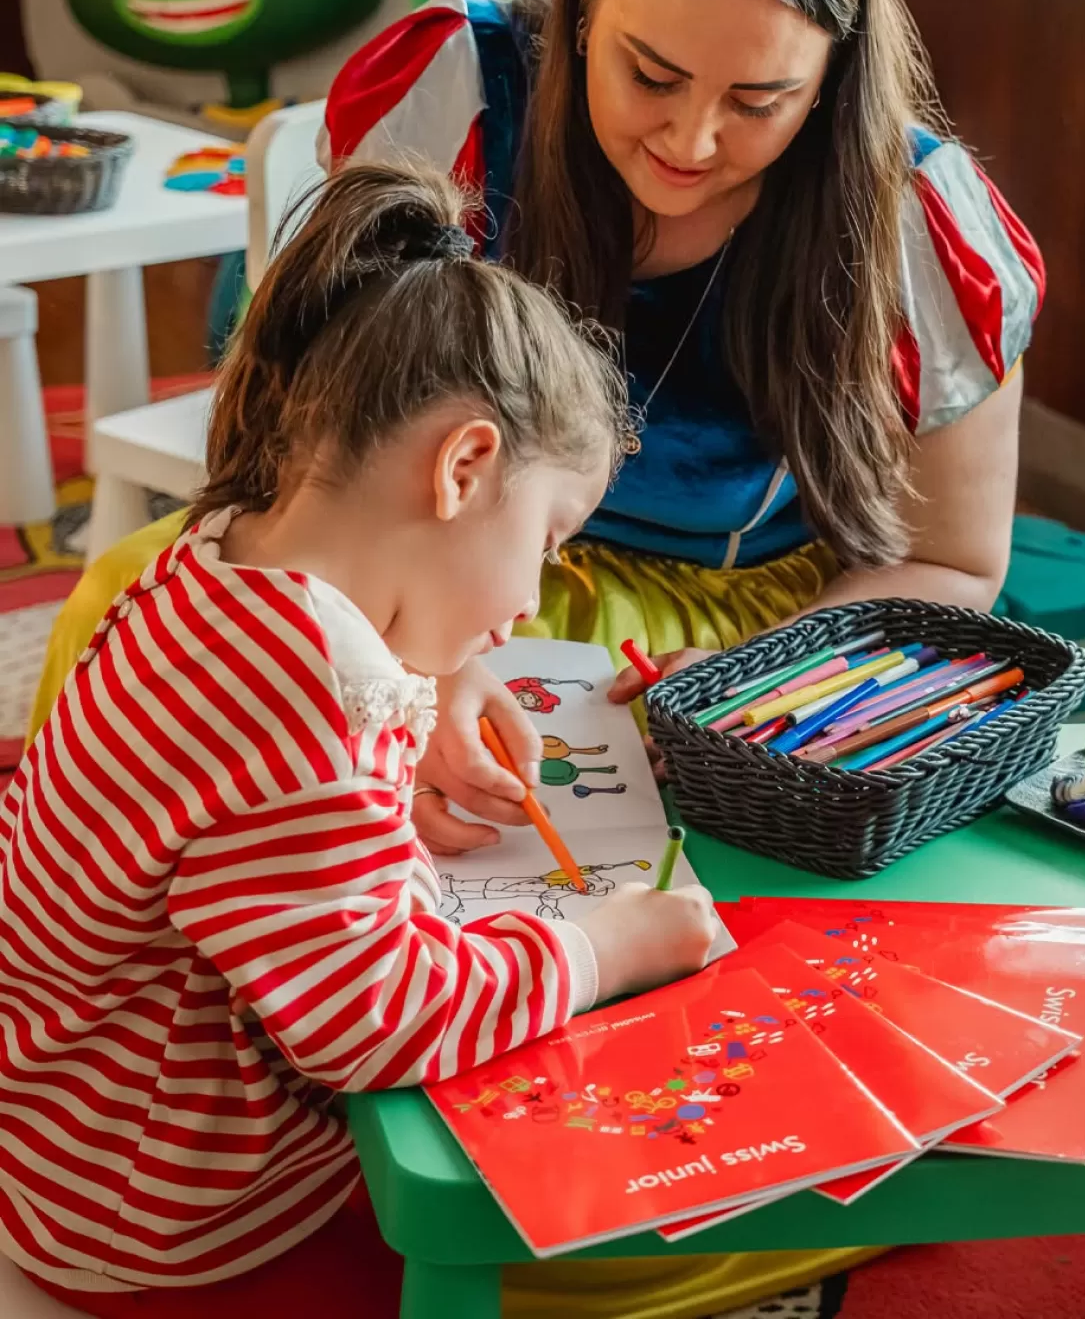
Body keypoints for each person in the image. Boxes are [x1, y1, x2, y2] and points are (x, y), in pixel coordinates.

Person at [31, 0, 1041, 863]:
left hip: (718, 625)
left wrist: (724, 698)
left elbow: (952, 561)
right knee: (123, 608)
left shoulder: (912, 216)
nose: (691, 141)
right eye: (649, 74)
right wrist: (413, 663)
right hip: (415, 541)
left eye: (759, 100)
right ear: (580, 0)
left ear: (832, 79)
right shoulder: (458, 91)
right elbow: (304, 419)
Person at [0, 162, 724, 1315]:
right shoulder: (299, 695)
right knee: (551, 1256)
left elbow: (261, 844)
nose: (532, 602)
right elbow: (376, 1021)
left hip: (73, 1126)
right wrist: (600, 950)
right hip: (158, 1214)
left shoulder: (222, 560)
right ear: (463, 466)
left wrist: (393, 789)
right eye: (544, 542)